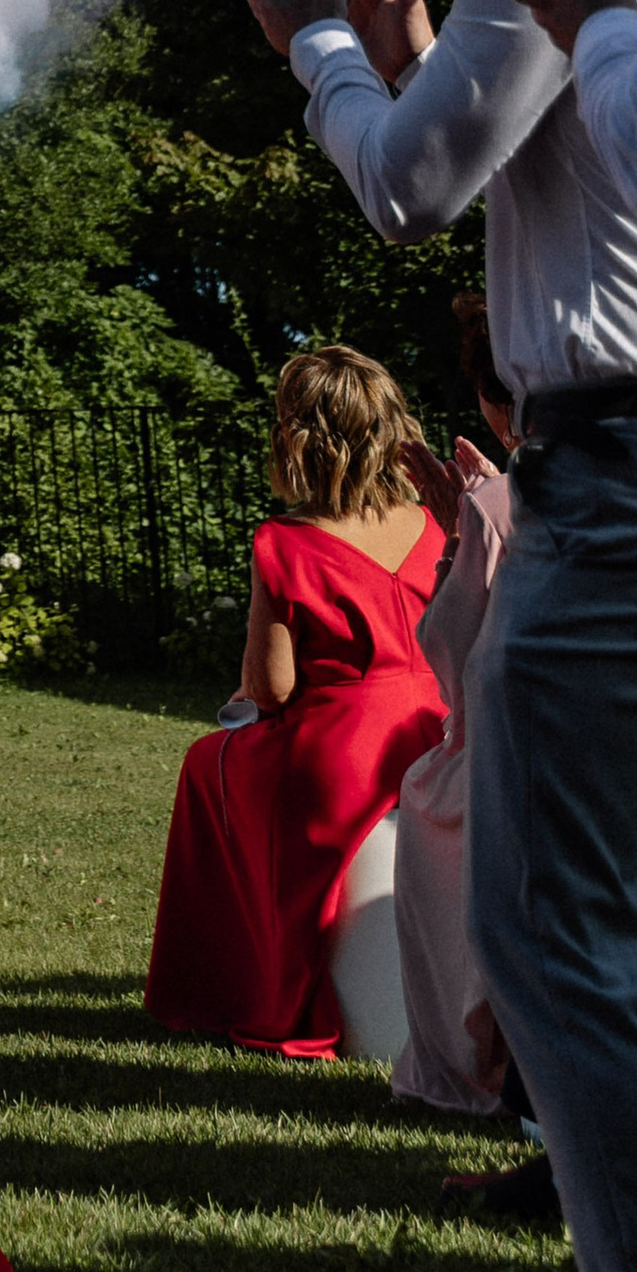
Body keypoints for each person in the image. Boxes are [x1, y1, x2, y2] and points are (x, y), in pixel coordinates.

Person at [233, 0, 637, 1272]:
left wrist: (325, 46)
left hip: (613, 485)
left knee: (553, 947)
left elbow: (410, 187)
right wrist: (428, 55)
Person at [145, 345, 445, 1056]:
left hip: (343, 754)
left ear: (298, 439)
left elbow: (274, 688)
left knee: (206, 762)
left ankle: (230, 985)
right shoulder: (436, 523)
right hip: (439, 731)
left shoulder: (285, 541)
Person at [389, 299, 520, 1132]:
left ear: (495, 403)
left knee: (427, 794)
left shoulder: (500, 501)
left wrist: (459, 533)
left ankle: (467, 1073)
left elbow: (451, 651)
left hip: (513, 756)